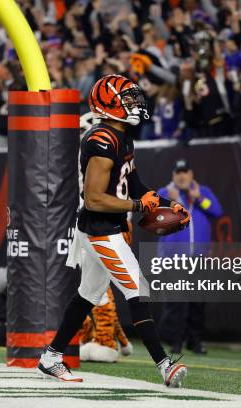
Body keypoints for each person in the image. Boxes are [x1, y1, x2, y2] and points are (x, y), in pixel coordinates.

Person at [38, 74, 190, 387]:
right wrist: (137, 207)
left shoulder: (121, 137)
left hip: (104, 227)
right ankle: (165, 366)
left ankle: (51, 356)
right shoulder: (101, 140)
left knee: (87, 295)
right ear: (108, 105)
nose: (135, 104)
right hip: (99, 229)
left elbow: (133, 184)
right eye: (128, 99)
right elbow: (94, 199)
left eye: (135, 98)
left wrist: (164, 202)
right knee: (137, 288)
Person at [158, 159, 222, 355]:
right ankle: (175, 341)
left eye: (185, 172)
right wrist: (174, 203)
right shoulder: (164, 193)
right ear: (173, 176)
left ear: (191, 174)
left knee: (197, 302)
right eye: (178, 172)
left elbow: (217, 211)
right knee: (175, 302)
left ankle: (195, 341)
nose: (182, 176)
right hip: (174, 258)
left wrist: (200, 198)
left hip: (198, 257)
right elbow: (157, 220)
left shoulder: (203, 192)